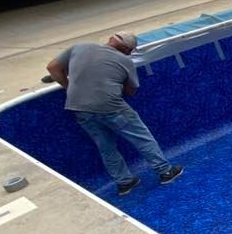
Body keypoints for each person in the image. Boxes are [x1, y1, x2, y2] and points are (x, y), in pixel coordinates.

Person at [46, 32, 183, 197]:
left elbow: (52, 67)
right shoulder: (124, 60)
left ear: (111, 39)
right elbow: (131, 91)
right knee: (142, 138)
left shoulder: (80, 47)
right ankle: (165, 172)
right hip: (112, 107)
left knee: (106, 148)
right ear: (126, 49)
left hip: (79, 107)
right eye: (130, 51)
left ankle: (124, 183)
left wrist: (69, 87)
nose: (130, 54)